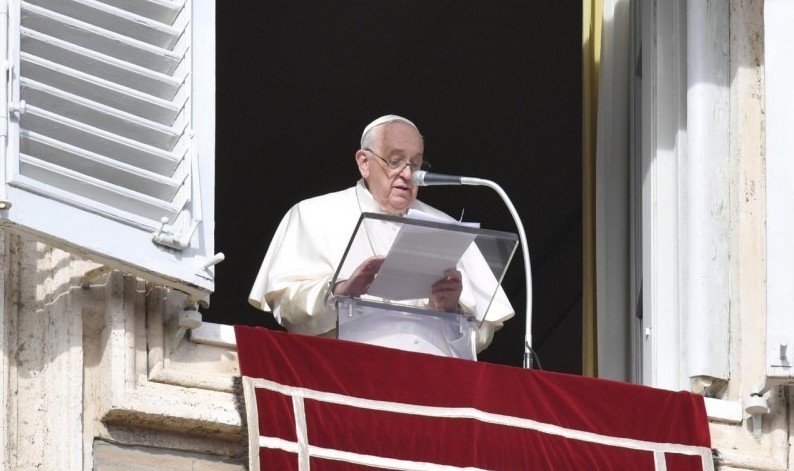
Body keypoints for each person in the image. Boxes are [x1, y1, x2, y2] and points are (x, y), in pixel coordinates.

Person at [249, 115, 513, 354]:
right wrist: (340, 292)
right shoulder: (314, 213)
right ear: (364, 162)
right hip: (346, 374)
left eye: (416, 163)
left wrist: (451, 309)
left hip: (430, 381)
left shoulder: (445, 225)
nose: (408, 174)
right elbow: (287, 307)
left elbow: (482, 332)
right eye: (395, 161)